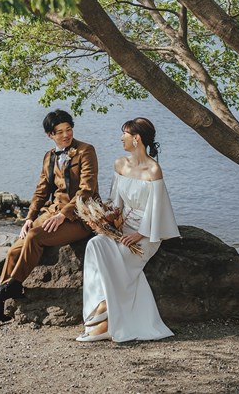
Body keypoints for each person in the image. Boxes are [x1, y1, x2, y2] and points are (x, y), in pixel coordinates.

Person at [0, 109, 98, 328]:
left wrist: (62, 215)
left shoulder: (86, 151)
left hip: (79, 216)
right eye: (60, 132)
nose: (66, 135)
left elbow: (87, 190)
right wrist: (29, 217)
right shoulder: (50, 157)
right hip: (51, 213)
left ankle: (14, 285)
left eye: (69, 129)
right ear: (50, 134)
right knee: (13, 250)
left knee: (35, 237)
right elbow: (41, 191)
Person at [77, 117, 180, 342]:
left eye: (124, 133)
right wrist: (103, 220)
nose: (120, 138)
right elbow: (116, 203)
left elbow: (157, 210)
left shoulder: (153, 170)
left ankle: (104, 316)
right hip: (122, 228)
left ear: (136, 138)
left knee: (121, 256)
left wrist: (139, 235)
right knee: (95, 245)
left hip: (146, 234)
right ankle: (100, 311)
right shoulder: (120, 164)